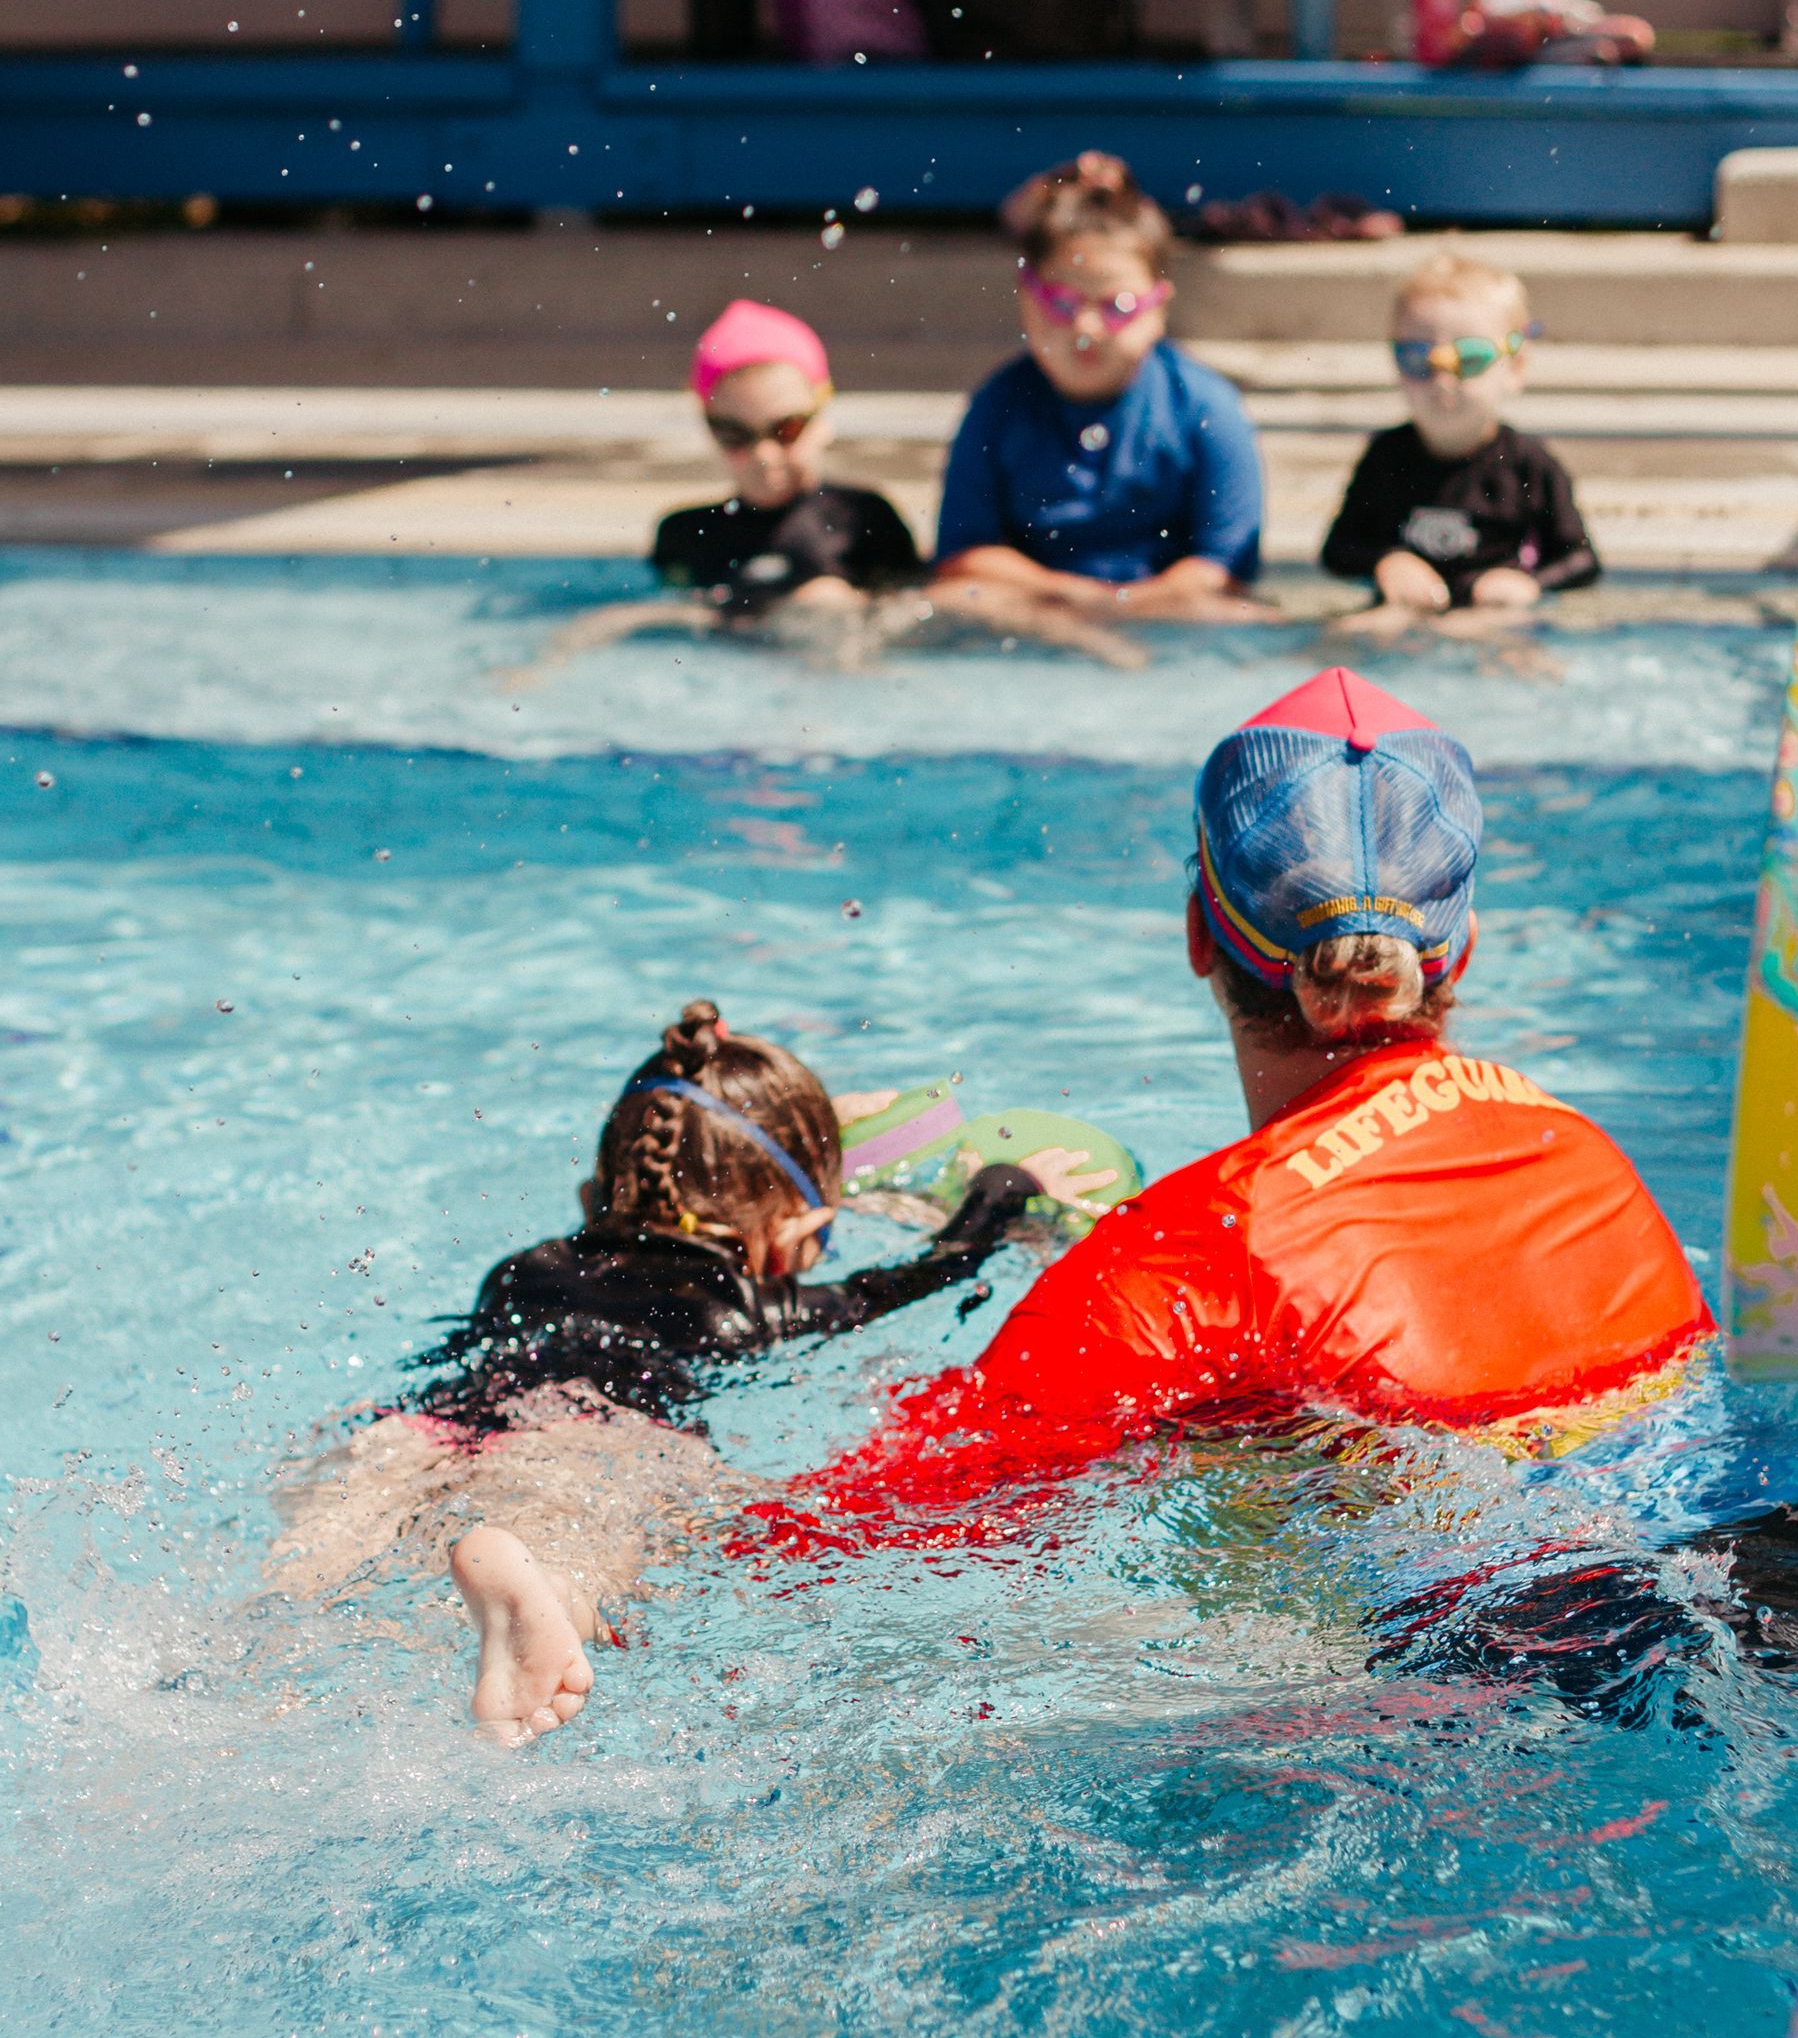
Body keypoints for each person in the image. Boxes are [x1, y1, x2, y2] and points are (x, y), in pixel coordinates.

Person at [796, 667, 1710, 1528]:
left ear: (1199, 934)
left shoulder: (1183, 1257)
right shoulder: (1582, 1152)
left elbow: (852, 1532)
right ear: (1462, 949)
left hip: (1427, 1649)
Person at [269, 1000, 1113, 1741]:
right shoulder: (743, 1304)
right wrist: (1005, 1192)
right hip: (590, 1441)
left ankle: (264, 1682)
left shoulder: (523, 1266)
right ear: (794, 1236)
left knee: (301, 1587)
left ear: (598, 1189)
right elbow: (935, 1268)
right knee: (579, 1548)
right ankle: (533, 1581)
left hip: (413, 1428)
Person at [930, 152, 1270, 631]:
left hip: (1166, 613)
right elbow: (963, 559)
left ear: (1159, 309)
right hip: (1040, 613)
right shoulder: (999, 406)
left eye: (1119, 305)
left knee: (1237, 615)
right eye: (1062, 301)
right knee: (954, 599)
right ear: (1026, 297)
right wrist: (1081, 600)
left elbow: (1225, 571)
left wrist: (1131, 606)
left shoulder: (1205, 408)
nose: (1086, 326)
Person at [501, 302, 922, 686]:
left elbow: (908, 610)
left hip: (827, 671)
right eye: (736, 435)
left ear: (822, 413)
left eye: (786, 430)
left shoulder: (863, 518)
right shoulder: (684, 532)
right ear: (708, 428)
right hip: (726, 671)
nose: (764, 454)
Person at [1319, 255, 1599, 625]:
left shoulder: (1529, 464)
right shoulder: (1386, 456)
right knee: (1347, 632)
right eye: (1418, 359)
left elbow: (1581, 562)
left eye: (1468, 360)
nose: (1442, 381)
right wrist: (1386, 561)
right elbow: (1337, 551)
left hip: (1491, 620)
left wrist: (1529, 583)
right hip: (1403, 615)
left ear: (1516, 368)